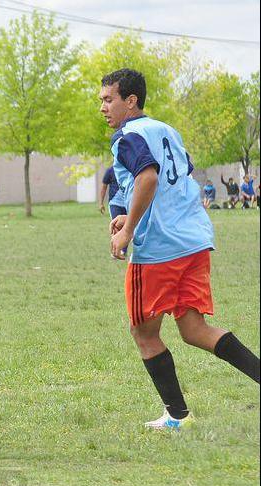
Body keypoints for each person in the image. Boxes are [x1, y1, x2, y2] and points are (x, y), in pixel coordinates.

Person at [99, 69, 259, 430]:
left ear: (131, 101)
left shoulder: (127, 135)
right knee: (194, 329)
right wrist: (122, 214)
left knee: (144, 333)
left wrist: (129, 231)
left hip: (160, 249)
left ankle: (177, 416)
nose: (103, 107)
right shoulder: (166, 130)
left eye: (108, 99)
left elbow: (148, 177)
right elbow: (177, 175)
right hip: (194, 240)